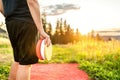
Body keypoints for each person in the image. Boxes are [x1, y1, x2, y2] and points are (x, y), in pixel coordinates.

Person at [0, 0, 51, 80]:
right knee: (25, 63)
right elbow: (32, 1)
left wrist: (11, 16)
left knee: (17, 59)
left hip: (11, 22)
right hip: (26, 21)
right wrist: (41, 30)